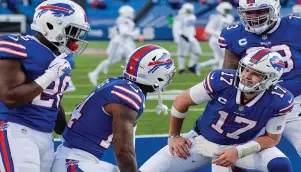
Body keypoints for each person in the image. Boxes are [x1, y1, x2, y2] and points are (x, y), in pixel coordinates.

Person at [139, 48, 294, 172]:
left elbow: (272, 139)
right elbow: (181, 101)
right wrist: (174, 135)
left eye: (255, 74)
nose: (246, 76)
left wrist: (239, 152)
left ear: (271, 79)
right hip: (202, 142)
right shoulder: (222, 80)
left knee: (280, 165)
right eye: (246, 69)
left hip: (243, 145)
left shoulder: (279, 100)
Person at [51, 44, 176, 172]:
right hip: (75, 162)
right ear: (156, 74)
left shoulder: (118, 84)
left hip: (70, 157)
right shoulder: (128, 96)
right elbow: (123, 151)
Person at [0, 0, 90, 171]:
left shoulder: (64, 56)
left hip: (46, 136)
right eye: (73, 31)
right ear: (51, 24)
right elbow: (10, 98)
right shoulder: (19, 46)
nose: (76, 37)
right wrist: (50, 75)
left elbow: (54, 101)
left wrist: (67, 134)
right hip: (17, 130)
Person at [219, 0, 301, 161]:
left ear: (274, 8)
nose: (253, 17)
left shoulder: (296, 27)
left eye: (260, 11)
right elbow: (229, 75)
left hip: (296, 101)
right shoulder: (233, 34)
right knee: (233, 155)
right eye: (248, 12)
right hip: (254, 104)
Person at [88, 5, 140, 86]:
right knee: (113, 60)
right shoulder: (124, 20)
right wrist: (134, 33)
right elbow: (123, 33)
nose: (133, 14)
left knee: (132, 59)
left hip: (122, 43)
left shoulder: (123, 20)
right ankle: (94, 74)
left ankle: (131, 78)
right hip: (119, 43)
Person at [197, 2, 234, 72]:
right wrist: (219, 34)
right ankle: (220, 72)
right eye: (226, 10)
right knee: (223, 57)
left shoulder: (230, 17)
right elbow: (208, 29)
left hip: (225, 40)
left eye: (228, 10)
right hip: (216, 40)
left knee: (219, 59)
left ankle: (202, 67)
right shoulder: (217, 18)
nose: (228, 12)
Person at [172, 3, 202, 75]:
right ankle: (181, 69)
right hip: (183, 37)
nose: (189, 11)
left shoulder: (193, 16)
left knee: (197, 52)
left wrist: (194, 34)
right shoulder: (179, 17)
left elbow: (191, 27)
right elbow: (176, 28)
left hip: (191, 37)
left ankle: (191, 66)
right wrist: (181, 36)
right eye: (188, 10)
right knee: (182, 53)